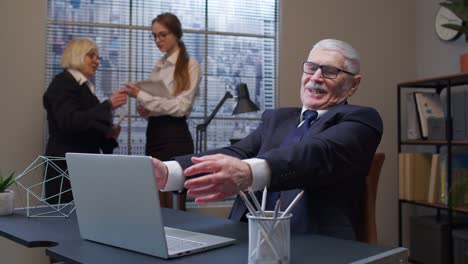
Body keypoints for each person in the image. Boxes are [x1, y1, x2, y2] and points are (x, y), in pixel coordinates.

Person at [151, 39, 383, 240]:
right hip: (246, 239)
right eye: (310, 68)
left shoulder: (362, 121)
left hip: (315, 242)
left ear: (353, 84)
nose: (316, 78)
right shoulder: (276, 119)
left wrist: (248, 173)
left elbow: (316, 154)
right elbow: (236, 154)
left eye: (329, 71)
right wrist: (168, 172)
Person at [124, 13, 202, 209]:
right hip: (155, 132)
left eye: (163, 35)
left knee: (176, 202)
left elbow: (181, 107)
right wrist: (144, 107)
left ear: (176, 34)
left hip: (174, 134)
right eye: (154, 36)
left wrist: (142, 95)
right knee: (157, 200)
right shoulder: (159, 65)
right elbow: (156, 103)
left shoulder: (190, 64)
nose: (158, 40)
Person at [43, 38, 128, 204]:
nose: (97, 61)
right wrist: (108, 104)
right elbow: (69, 121)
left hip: (84, 167)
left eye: (98, 57)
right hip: (65, 168)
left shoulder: (85, 88)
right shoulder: (62, 83)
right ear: (77, 55)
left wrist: (109, 136)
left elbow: (88, 125)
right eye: (91, 56)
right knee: (63, 226)